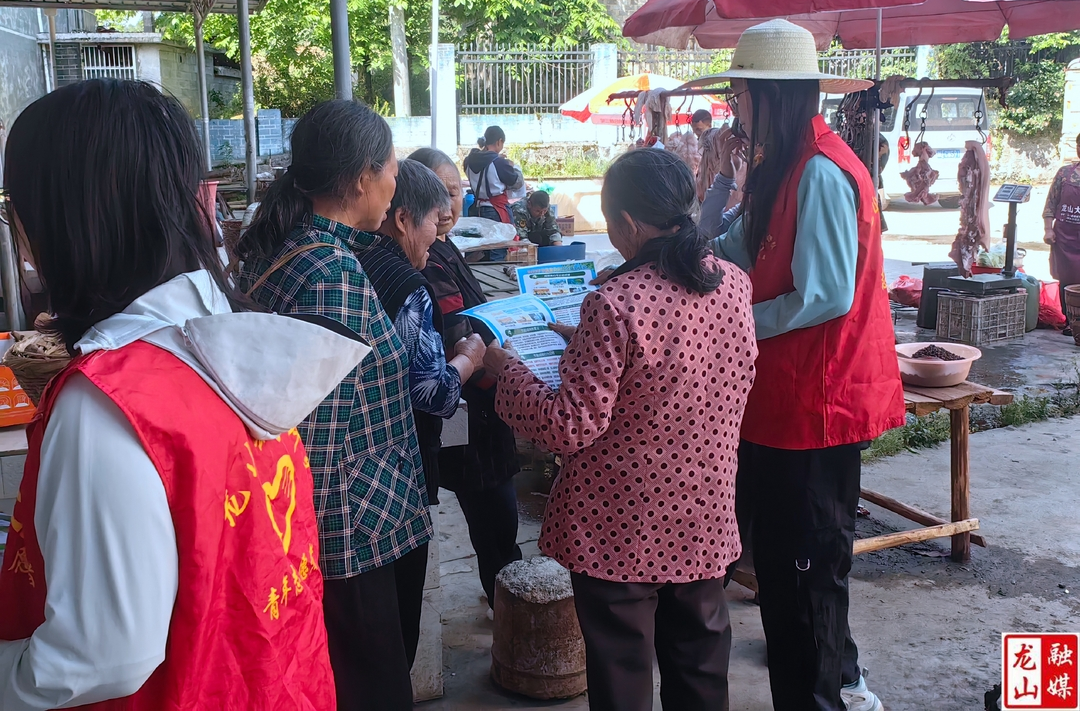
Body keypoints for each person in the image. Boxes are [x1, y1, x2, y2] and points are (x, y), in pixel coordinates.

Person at [0, 80, 351, 708]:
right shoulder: (232, 347)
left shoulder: (108, 403)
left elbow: (102, 653)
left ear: (60, 220)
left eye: (14, 208)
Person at [485, 148, 757, 711]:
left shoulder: (616, 302)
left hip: (620, 528)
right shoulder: (731, 284)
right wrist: (579, 339)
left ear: (629, 224)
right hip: (702, 515)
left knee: (622, 677)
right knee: (702, 671)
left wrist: (507, 372)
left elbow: (568, 426)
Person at [706, 20, 905, 711]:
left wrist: (732, 325)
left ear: (774, 96)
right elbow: (733, 249)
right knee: (792, 578)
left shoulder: (820, 170)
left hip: (816, 410)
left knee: (808, 578)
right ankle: (834, 681)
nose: (734, 105)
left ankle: (825, 692)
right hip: (780, 405)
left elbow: (824, 294)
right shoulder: (781, 165)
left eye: (741, 93)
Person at [235, 100, 431, 711]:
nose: (397, 183)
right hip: (350, 528)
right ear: (359, 181)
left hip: (341, 518)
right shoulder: (331, 271)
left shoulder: (297, 245)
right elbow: (318, 427)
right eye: (393, 171)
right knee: (368, 680)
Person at [408, 147, 524, 609]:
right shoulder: (425, 260)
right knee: (495, 513)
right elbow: (462, 341)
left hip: (466, 400)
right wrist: (514, 378)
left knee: (491, 512)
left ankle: (502, 593)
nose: (448, 207)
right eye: (438, 196)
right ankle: (511, 606)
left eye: (454, 193)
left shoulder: (441, 245)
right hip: (468, 404)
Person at [355, 158, 487, 508]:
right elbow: (435, 394)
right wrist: (468, 359)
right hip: (399, 458)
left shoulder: (356, 257)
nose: (438, 230)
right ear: (402, 220)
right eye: (432, 220)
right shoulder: (409, 285)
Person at [464, 125, 524, 261]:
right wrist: (511, 165)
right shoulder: (498, 163)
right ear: (499, 141)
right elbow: (516, 182)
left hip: (477, 208)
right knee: (498, 248)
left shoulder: (468, 161)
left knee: (480, 249)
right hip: (496, 210)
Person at [1044, 132, 1080, 337]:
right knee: (1066, 281)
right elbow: (1050, 204)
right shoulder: (1064, 173)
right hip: (1065, 238)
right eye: (1078, 144)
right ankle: (1070, 321)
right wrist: (1048, 229)